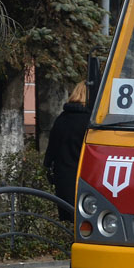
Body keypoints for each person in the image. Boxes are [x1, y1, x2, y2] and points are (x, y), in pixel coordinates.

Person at [43, 82, 90, 222]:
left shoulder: (61, 118)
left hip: (62, 179)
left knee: (66, 221)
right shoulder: (90, 122)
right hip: (84, 181)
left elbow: (50, 152)